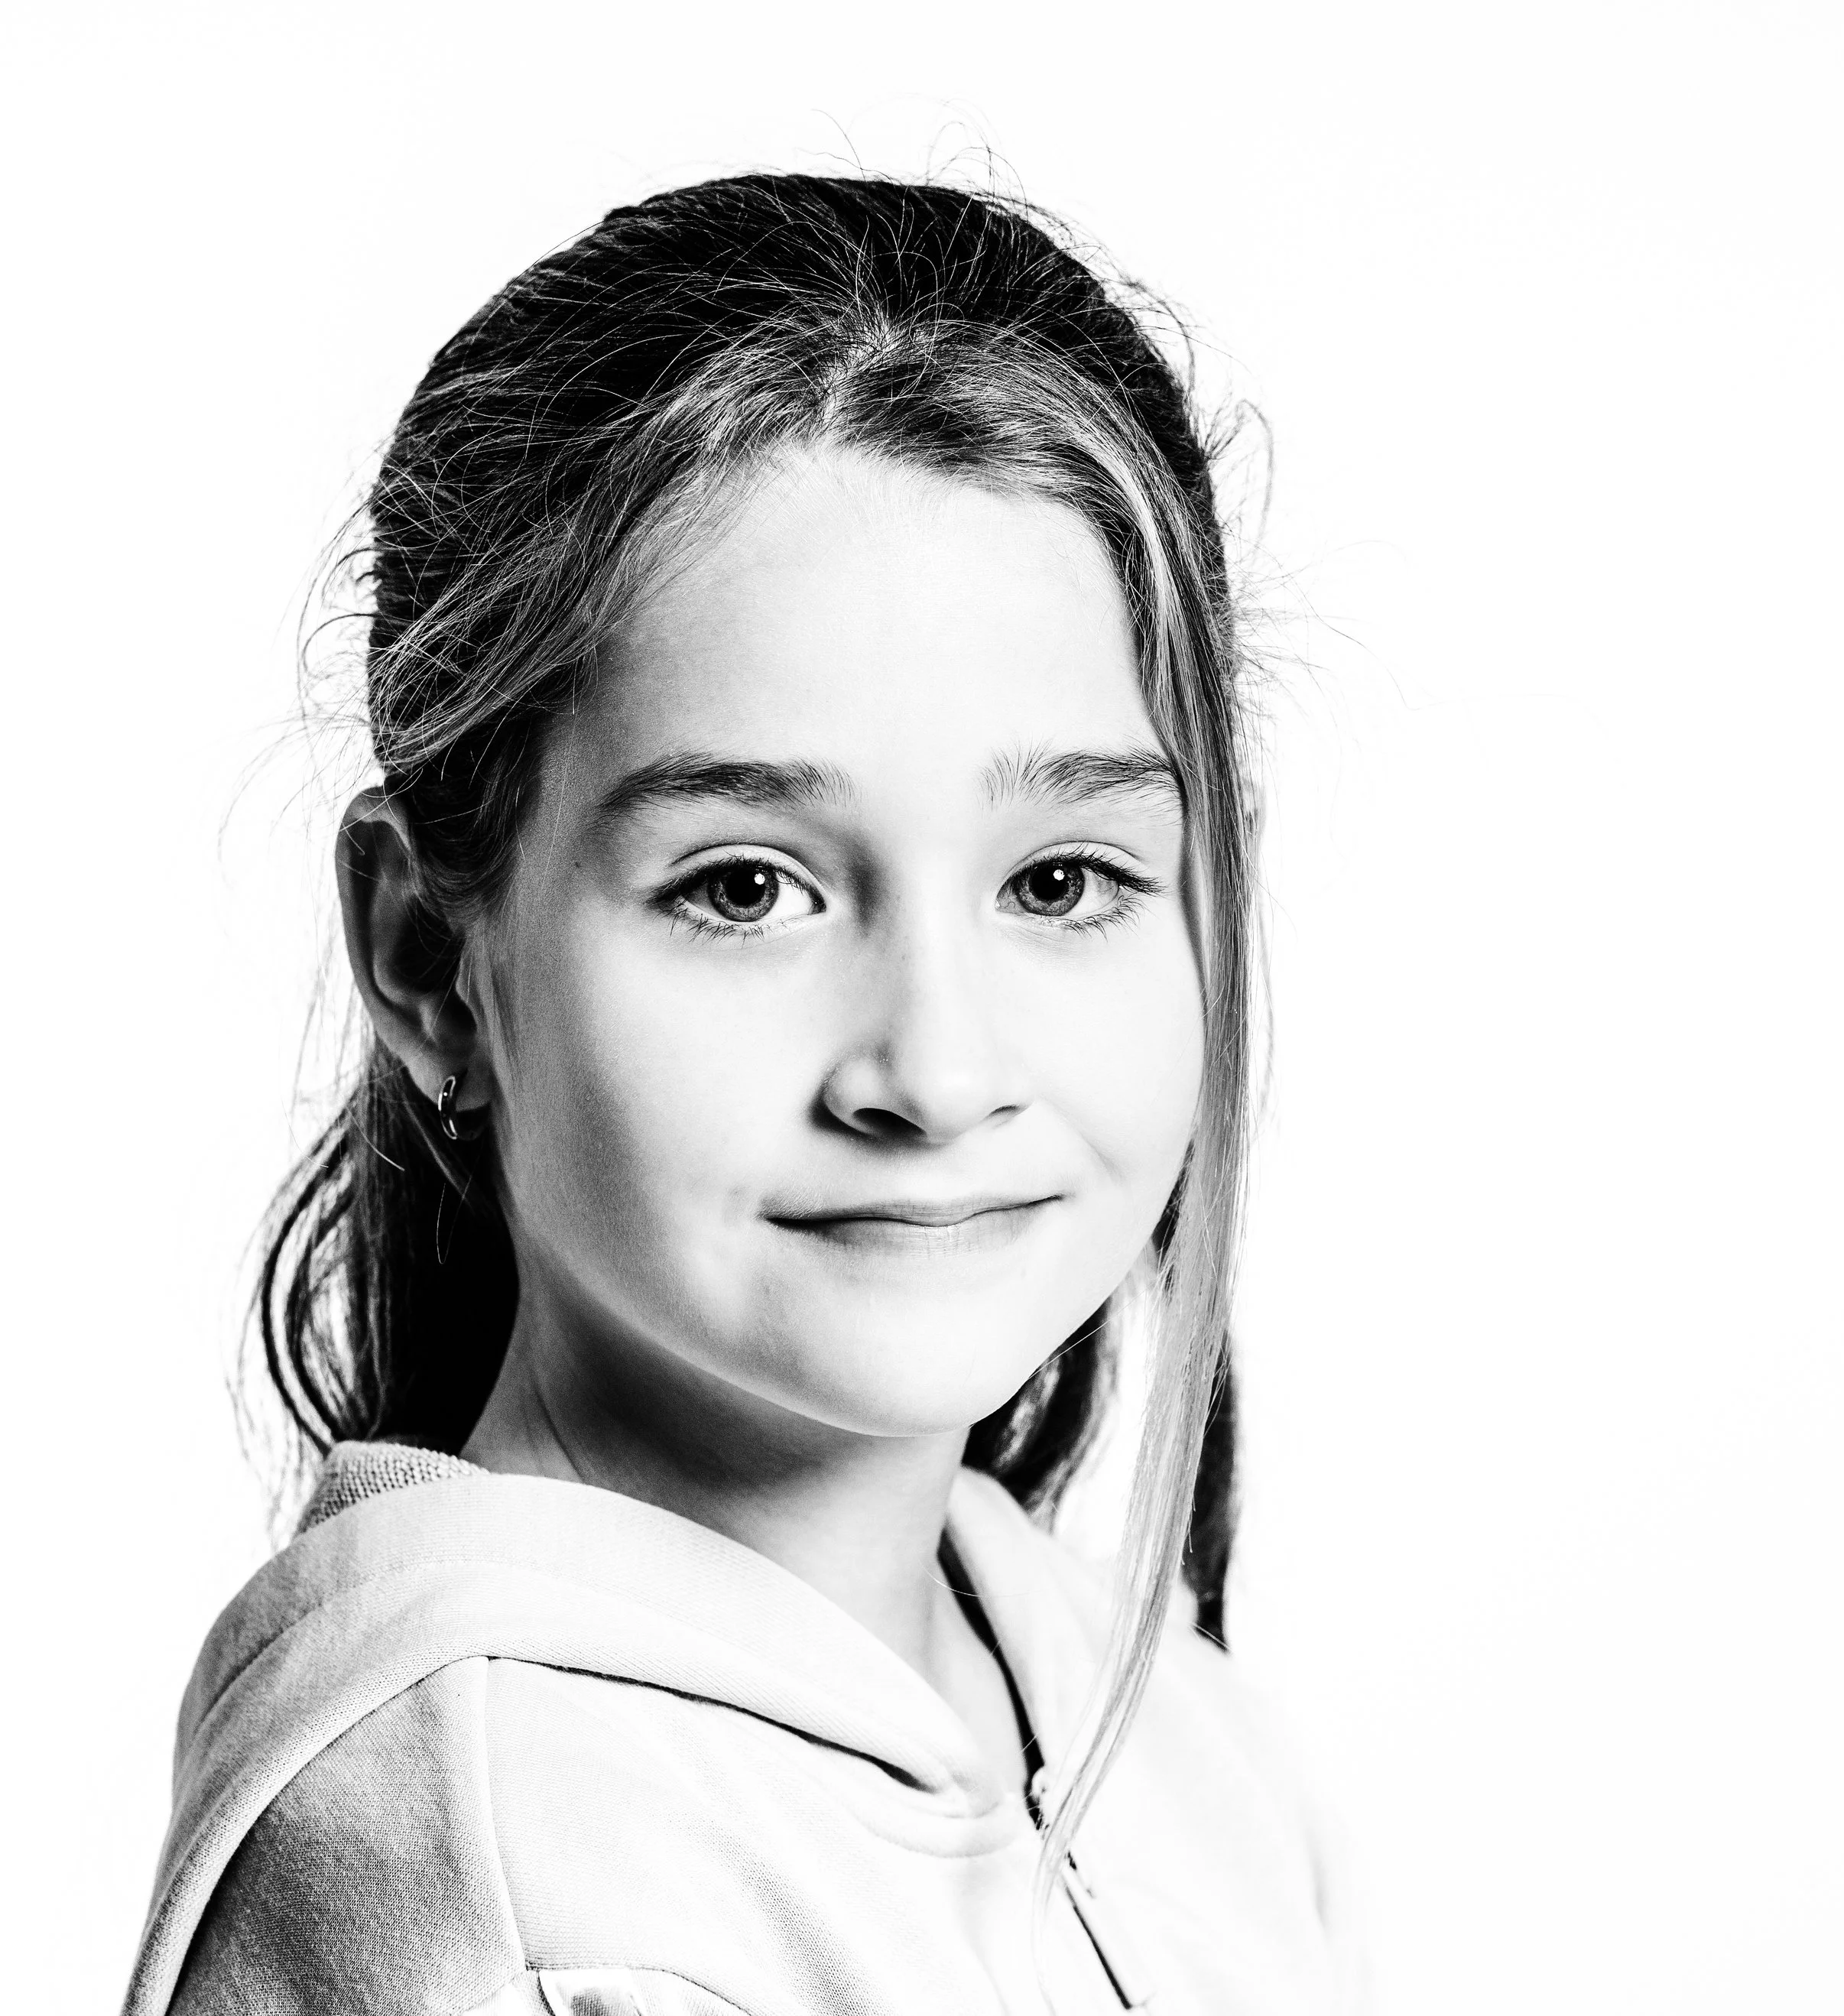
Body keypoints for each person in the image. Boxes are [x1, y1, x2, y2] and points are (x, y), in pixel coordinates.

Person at [123, 171, 1362, 2016]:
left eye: (1059, 882)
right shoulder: (503, 1862)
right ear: (424, 955)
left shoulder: (1161, 1723)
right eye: (742, 887)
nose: (934, 1071)